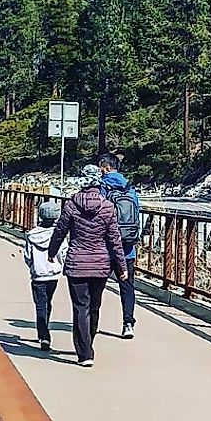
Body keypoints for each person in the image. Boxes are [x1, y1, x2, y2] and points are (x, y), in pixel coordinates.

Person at [49, 167, 126, 367]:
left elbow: (60, 231)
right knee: (94, 306)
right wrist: (121, 267)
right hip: (101, 264)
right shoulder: (107, 206)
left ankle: (85, 353)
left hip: (77, 263)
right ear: (98, 182)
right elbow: (114, 240)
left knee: (80, 308)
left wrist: (51, 252)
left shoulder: (71, 205)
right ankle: (89, 341)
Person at [98, 154, 144, 335]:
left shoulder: (103, 187)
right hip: (127, 249)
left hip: (105, 247)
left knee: (96, 287)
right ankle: (128, 323)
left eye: (101, 168)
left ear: (106, 168)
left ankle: (91, 321)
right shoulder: (129, 188)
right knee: (127, 286)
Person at [24, 197, 65, 354]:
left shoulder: (31, 235)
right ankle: (44, 330)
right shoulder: (58, 234)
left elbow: (27, 256)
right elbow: (63, 252)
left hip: (38, 274)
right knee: (48, 302)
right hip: (53, 274)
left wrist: (33, 266)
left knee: (40, 304)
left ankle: (44, 335)